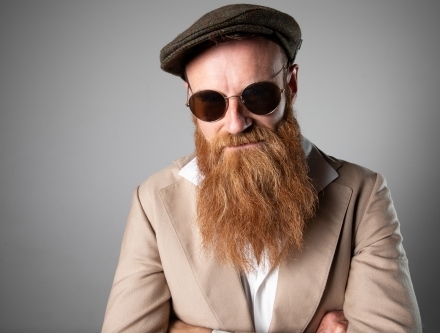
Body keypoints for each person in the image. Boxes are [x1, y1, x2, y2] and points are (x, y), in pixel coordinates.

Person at [102, 4, 421, 333]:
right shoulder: (152, 202)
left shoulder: (364, 196)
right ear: (190, 100)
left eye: (257, 96)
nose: (236, 123)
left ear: (291, 86)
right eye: (210, 102)